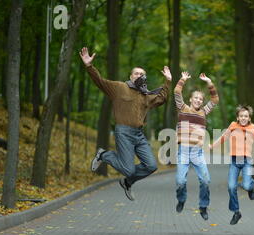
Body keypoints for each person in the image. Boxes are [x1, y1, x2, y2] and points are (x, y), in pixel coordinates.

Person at [79, 47, 172, 201]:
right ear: (131, 76)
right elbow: (100, 82)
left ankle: (127, 182)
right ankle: (104, 155)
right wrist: (89, 66)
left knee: (151, 166)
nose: (139, 75)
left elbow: (161, 99)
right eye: (137, 73)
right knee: (128, 169)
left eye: (142, 74)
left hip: (139, 135)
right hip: (123, 132)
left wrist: (168, 81)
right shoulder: (119, 87)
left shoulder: (146, 96)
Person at [210, 105, 254, 225]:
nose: (243, 118)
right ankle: (236, 212)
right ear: (237, 117)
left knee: (247, 186)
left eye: (246, 116)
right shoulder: (233, 126)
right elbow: (223, 138)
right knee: (231, 187)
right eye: (241, 116)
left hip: (247, 161)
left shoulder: (252, 128)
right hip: (234, 162)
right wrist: (212, 146)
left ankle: (251, 187)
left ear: (249, 118)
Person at [174, 71, 219, 220]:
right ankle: (181, 199)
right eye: (196, 98)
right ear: (190, 99)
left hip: (197, 152)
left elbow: (215, 99)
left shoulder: (204, 112)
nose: (199, 100)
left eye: (201, 99)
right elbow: (176, 92)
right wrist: (183, 79)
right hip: (184, 151)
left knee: (206, 180)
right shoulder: (183, 108)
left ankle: (203, 206)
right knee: (180, 181)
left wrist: (209, 82)